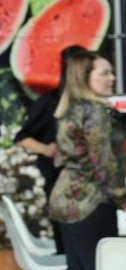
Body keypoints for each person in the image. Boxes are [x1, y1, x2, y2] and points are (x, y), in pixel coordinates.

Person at [48, 52, 126, 270]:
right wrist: (125, 200)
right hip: (89, 201)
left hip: (64, 199)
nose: (112, 78)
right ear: (84, 77)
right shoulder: (96, 111)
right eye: (104, 73)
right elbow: (105, 164)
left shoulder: (70, 108)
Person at [14, 45, 87, 254]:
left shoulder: (95, 104)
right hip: (59, 183)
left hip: (91, 188)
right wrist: (46, 149)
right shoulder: (51, 101)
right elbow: (22, 137)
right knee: (71, 249)